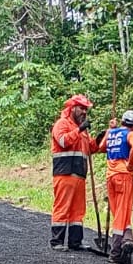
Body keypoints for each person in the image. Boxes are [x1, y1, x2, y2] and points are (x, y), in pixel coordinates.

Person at [49, 94, 102, 251]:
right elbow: (64, 141)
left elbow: (89, 149)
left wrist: (99, 140)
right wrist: (80, 129)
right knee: (62, 207)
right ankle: (57, 241)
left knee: (78, 211)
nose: (84, 112)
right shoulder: (62, 124)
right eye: (81, 108)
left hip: (79, 175)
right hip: (65, 174)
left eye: (86, 109)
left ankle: (75, 241)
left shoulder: (82, 130)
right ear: (72, 108)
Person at [102, 109, 133, 264]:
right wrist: (131, 165)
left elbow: (102, 146)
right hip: (123, 176)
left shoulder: (112, 133)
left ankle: (128, 240)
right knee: (122, 211)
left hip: (110, 175)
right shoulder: (131, 134)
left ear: (122, 121)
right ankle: (115, 252)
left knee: (118, 211)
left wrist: (111, 130)